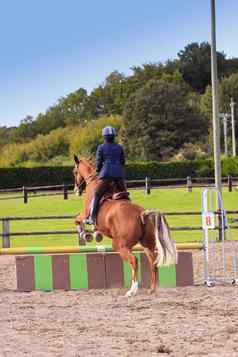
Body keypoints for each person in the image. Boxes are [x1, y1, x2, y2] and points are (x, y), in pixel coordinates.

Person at [85, 126, 127, 225]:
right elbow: (123, 162)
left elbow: (99, 163)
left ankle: (92, 218)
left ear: (104, 137)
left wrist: (99, 171)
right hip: (119, 175)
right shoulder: (119, 147)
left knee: (96, 194)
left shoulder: (101, 147)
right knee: (125, 194)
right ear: (114, 136)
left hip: (106, 175)